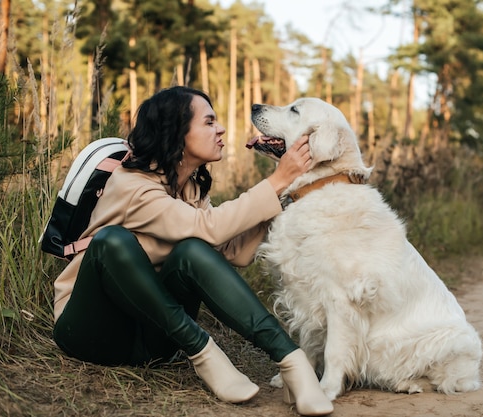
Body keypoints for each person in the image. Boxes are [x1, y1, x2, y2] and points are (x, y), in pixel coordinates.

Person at [52, 86, 333, 416]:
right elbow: (209, 226)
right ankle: (205, 355)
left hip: (153, 339)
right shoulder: (132, 185)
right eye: (209, 122)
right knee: (111, 242)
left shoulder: (190, 187)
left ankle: (291, 360)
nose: (221, 129)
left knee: (190, 251)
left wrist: (284, 195)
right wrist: (275, 182)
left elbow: (231, 252)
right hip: (91, 331)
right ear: (176, 131)